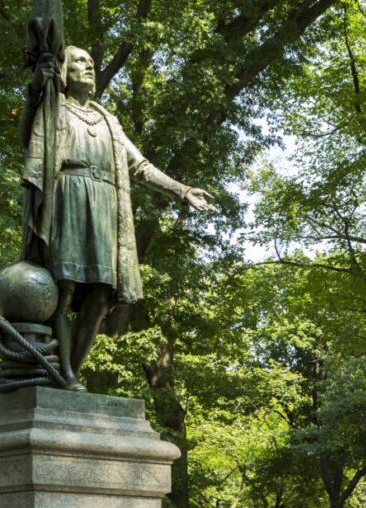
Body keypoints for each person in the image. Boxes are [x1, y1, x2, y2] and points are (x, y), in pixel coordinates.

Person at [19, 45, 218, 390]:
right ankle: (63, 374)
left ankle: (71, 373)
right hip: (69, 197)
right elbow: (28, 141)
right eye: (80, 61)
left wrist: (181, 191)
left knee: (99, 298)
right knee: (63, 290)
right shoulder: (54, 108)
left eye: (92, 63)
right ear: (64, 71)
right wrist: (36, 90)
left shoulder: (108, 121)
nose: (89, 67)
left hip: (106, 206)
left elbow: (140, 167)